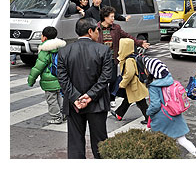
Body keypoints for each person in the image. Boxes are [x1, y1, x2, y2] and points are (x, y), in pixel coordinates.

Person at [57, 18, 113, 159]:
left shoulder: (65, 51)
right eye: (97, 30)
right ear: (90, 31)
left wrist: (76, 97)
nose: (98, 33)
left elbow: (63, 79)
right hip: (97, 103)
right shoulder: (103, 50)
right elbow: (105, 78)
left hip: (73, 104)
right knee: (100, 143)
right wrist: (89, 96)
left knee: (75, 142)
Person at [144, 57, 196, 158]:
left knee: (156, 141)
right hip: (174, 114)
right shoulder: (171, 81)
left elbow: (155, 105)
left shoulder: (154, 86)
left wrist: (148, 112)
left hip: (162, 117)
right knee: (182, 139)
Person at [97, 6, 150, 107]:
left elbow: (127, 36)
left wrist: (140, 43)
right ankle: (102, 99)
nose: (113, 19)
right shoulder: (97, 28)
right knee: (101, 80)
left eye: (113, 16)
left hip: (112, 58)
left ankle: (111, 98)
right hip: (100, 59)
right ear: (105, 17)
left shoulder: (116, 28)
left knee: (112, 79)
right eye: (111, 17)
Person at [27, 26, 67, 124]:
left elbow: (38, 67)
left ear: (44, 37)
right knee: (60, 96)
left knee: (51, 99)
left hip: (49, 80)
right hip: (61, 78)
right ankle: (64, 114)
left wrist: (31, 80)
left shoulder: (45, 49)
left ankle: (56, 117)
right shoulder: (61, 47)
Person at [110, 38, 149, 124]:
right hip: (134, 85)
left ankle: (149, 118)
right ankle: (119, 113)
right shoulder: (132, 57)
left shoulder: (129, 60)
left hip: (134, 85)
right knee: (129, 100)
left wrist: (122, 84)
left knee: (141, 103)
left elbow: (130, 74)